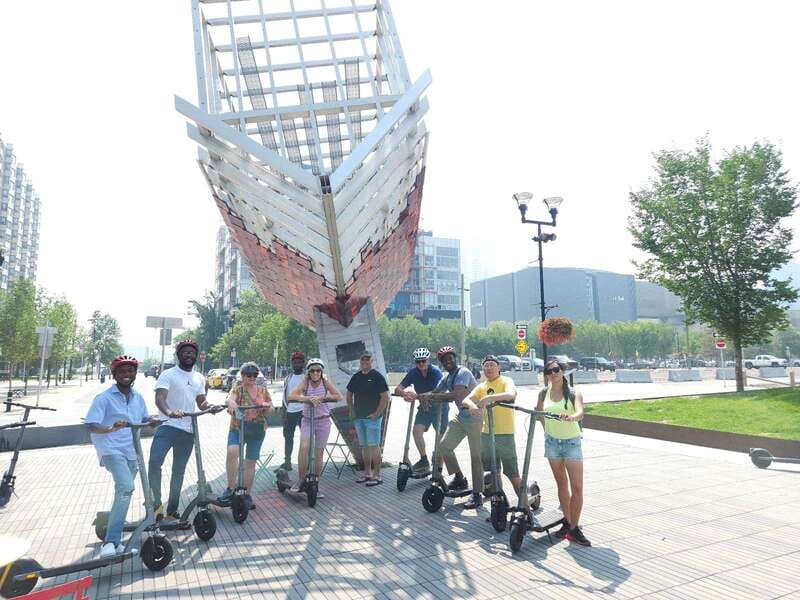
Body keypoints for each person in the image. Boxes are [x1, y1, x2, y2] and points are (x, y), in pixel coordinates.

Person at [85, 355, 153, 558]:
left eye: (130, 371)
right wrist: (110, 428)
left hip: (132, 450)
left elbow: (143, 417)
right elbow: (91, 424)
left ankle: (115, 542)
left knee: (122, 495)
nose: (127, 374)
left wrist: (152, 421)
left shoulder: (138, 397)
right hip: (111, 449)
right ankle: (110, 542)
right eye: (122, 371)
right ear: (114, 374)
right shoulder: (104, 398)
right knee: (126, 487)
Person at [148, 339, 209, 521]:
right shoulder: (168, 374)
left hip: (187, 430)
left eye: (192, 352)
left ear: (196, 356)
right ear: (178, 354)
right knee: (154, 463)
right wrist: (169, 412)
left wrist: (210, 406)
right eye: (185, 352)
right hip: (167, 426)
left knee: (178, 471)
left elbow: (201, 402)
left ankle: (172, 510)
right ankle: (156, 504)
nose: (188, 355)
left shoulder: (199, 378)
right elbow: (160, 398)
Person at [419, 346, 482, 509]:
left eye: (450, 358)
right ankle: (460, 478)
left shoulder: (463, 373)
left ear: (455, 358)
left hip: (476, 417)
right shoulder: (448, 377)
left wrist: (432, 396)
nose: (448, 362)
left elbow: (456, 394)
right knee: (444, 447)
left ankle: (477, 495)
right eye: (444, 360)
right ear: (441, 364)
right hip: (461, 416)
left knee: (475, 457)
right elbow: (435, 391)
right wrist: (421, 396)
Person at [537, 357, 590, 546]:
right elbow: (539, 414)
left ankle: (575, 528)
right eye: (548, 371)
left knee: (576, 488)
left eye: (556, 370)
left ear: (563, 371)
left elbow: (580, 413)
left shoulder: (574, 392)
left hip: (571, 443)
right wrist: (547, 431)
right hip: (552, 443)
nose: (553, 374)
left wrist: (571, 418)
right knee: (561, 485)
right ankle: (568, 523)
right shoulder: (544, 393)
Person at [462, 355, 520, 495]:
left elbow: (511, 395)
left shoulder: (506, 381)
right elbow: (466, 400)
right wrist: (472, 406)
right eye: (486, 365)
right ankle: (499, 502)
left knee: (512, 473)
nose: (488, 368)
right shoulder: (482, 386)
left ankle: (524, 506)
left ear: (499, 367)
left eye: (492, 365)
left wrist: (488, 398)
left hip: (504, 434)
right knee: (494, 471)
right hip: (487, 434)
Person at [218, 362, 273, 507]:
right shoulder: (238, 389)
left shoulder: (263, 390)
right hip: (238, 428)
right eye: (248, 375)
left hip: (256, 429)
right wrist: (231, 403)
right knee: (232, 451)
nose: (251, 377)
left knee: (251, 462)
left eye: (254, 375)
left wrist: (267, 407)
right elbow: (230, 398)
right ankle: (230, 488)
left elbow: (271, 409)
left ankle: (247, 493)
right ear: (242, 376)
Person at [287, 358, 343, 493]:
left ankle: (315, 483)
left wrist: (322, 399)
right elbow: (291, 396)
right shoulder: (305, 382)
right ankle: (301, 480)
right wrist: (306, 399)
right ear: (309, 372)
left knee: (319, 453)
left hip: (323, 420)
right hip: (307, 420)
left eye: (318, 370)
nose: (315, 373)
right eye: (312, 370)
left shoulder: (325, 382)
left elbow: (338, 396)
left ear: (321, 371)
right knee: (304, 446)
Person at [394, 347, 445, 474]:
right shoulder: (413, 372)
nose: (421, 364)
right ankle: (424, 460)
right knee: (416, 432)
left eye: (423, 361)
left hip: (440, 408)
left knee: (441, 440)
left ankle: (438, 468)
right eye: (418, 361)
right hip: (424, 408)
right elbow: (397, 389)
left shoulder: (436, 371)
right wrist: (404, 394)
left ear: (428, 360)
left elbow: (438, 391)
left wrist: (416, 396)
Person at [347, 351, 390, 486]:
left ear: (372, 361)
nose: (365, 362)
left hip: (373, 418)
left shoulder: (377, 377)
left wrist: (377, 413)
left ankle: (377, 475)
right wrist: (351, 410)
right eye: (362, 360)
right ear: (360, 361)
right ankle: (367, 473)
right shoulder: (356, 377)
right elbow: (349, 394)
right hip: (359, 418)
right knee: (364, 447)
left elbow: (385, 397)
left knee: (373, 446)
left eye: (367, 360)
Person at [279, 351, 307, 471]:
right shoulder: (288, 378)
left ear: (303, 363)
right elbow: (284, 395)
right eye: (294, 362)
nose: (296, 364)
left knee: (306, 438)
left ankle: (306, 462)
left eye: (299, 362)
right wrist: (283, 411)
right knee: (288, 436)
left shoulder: (307, 377)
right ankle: (287, 462)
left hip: (303, 410)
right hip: (290, 411)